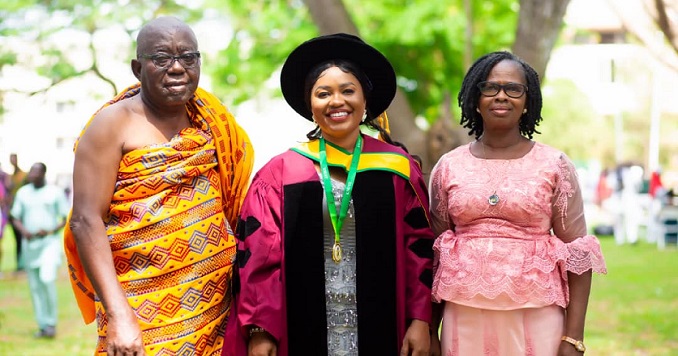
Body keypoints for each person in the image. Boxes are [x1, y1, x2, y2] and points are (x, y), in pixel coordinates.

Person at [225, 33, 434, 356]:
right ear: (310, 105)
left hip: (384, 327)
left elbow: (419, 251)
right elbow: (259, 258)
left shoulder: (398, 169)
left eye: (348, 91)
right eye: (324, 93)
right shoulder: (281, 173)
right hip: (299, 328)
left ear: (366, 102)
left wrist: (420, 319)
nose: (337, 101)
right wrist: (260, 328)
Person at [64, 16, 254, 355]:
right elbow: (85, 219)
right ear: (138, 69)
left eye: (188, 57)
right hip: (140, 309)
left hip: (214, 310)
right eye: (162, 58)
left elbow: (234, 203)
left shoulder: (212, 120)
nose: (177, 68)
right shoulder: (112, 124)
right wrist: (119, 314)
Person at [428, 51, 607, 356]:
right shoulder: (448, 166)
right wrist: (430, 330)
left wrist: (573, 338)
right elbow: (433, 254)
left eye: (513, 89)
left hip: (537, 317)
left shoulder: (554, 164)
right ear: (475, 96)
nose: (501, 96)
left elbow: (578, 254)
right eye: (490, 87)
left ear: (528, 101)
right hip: (463, 317)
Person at [10, 162, 70, 338]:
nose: (32, 175)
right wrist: (23, 232)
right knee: (35, 286)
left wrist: (50, 230)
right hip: (31, 246)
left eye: (36, 172)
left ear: (44, 174)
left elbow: (65, 217)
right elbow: (15, 217)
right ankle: (43, 325)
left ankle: (51, 323)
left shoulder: (54, 192)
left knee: (47, 278)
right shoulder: (23, 193)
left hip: (48, 244)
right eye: (31, 172)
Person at [7, 153, 28, 272]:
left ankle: (23, 263)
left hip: (23, 211)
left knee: (23, 237)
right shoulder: (9, 177)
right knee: (17, 239)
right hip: (13, 211)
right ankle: (19, 264)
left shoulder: (23, 175)